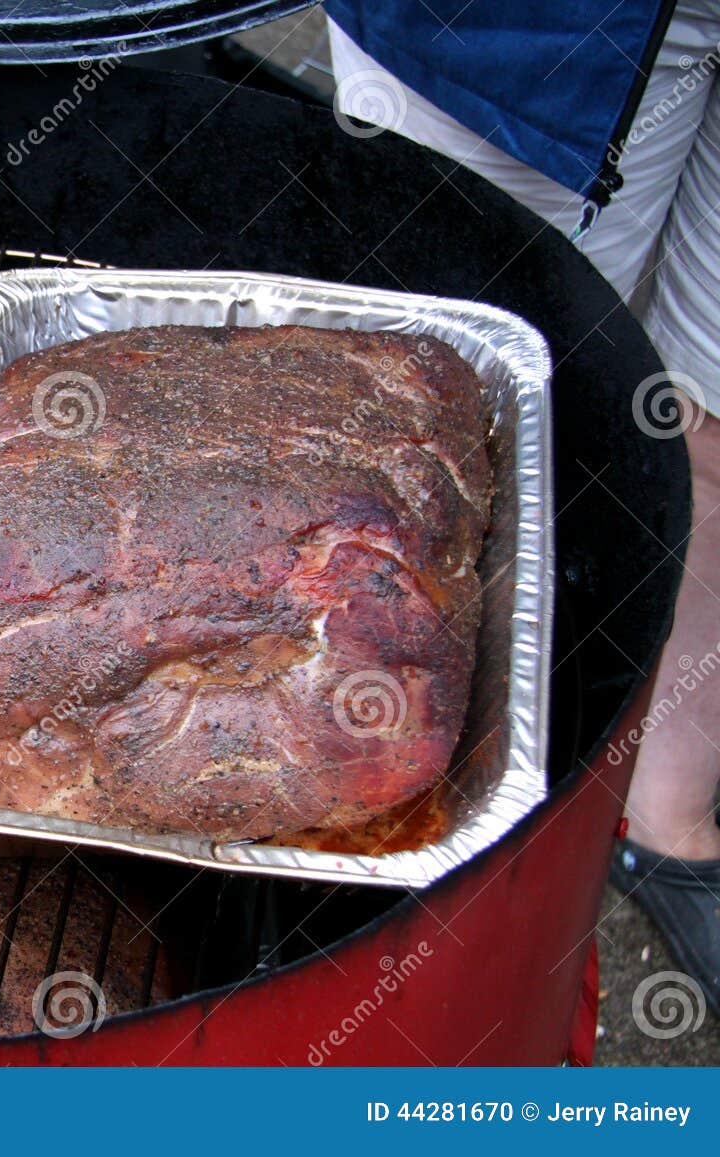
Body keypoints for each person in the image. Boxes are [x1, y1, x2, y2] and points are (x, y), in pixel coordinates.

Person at [323, 0, 720, 1011]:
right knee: (411, 416)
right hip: (522, 25)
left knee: (708, 415)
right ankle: (378, 865)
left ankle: (662, 813)